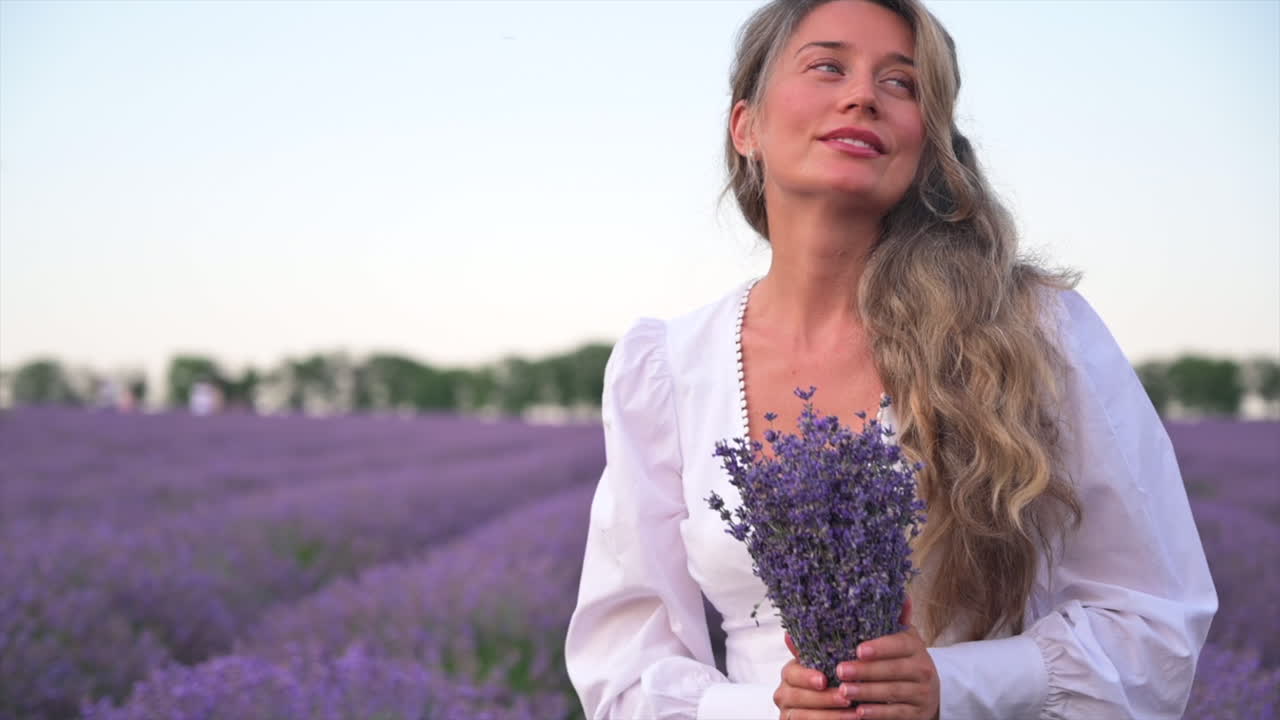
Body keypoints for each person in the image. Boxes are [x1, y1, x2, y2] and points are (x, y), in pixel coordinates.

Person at [563, 0, 1217, 718]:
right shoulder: (663, 370)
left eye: (902, 83)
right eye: (827, 66)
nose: (862, 95)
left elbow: (1155, 621)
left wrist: (953, 685)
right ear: (746, 126)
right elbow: (623, 668)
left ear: (926, 143)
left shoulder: (1031, 330)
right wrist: (763, 713)